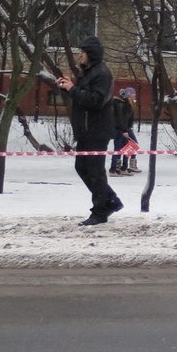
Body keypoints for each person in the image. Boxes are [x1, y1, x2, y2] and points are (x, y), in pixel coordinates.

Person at [56, 36, 123, 227]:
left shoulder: (101, 73)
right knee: (83, 168)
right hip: (86, 130)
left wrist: (73, 89)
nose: (79, 56)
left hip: (97, 130)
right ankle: (110, 201)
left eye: (82, 53)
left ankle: (101, 210)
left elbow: (96, 101)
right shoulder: (89, 72)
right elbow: (83, 97)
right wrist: (69, 87)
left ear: (90, 54)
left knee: (95, 172)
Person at [110, 88, 140, 176]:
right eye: (133, 94)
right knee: (119, 148)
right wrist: (124, 130)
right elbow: (121, 119)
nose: (134, 96)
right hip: (120, 129)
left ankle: (123, 167)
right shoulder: (121, 105)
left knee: (127, 146)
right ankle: (114, 168)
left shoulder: (127, 104)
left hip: (125, 128)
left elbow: (127, 118)